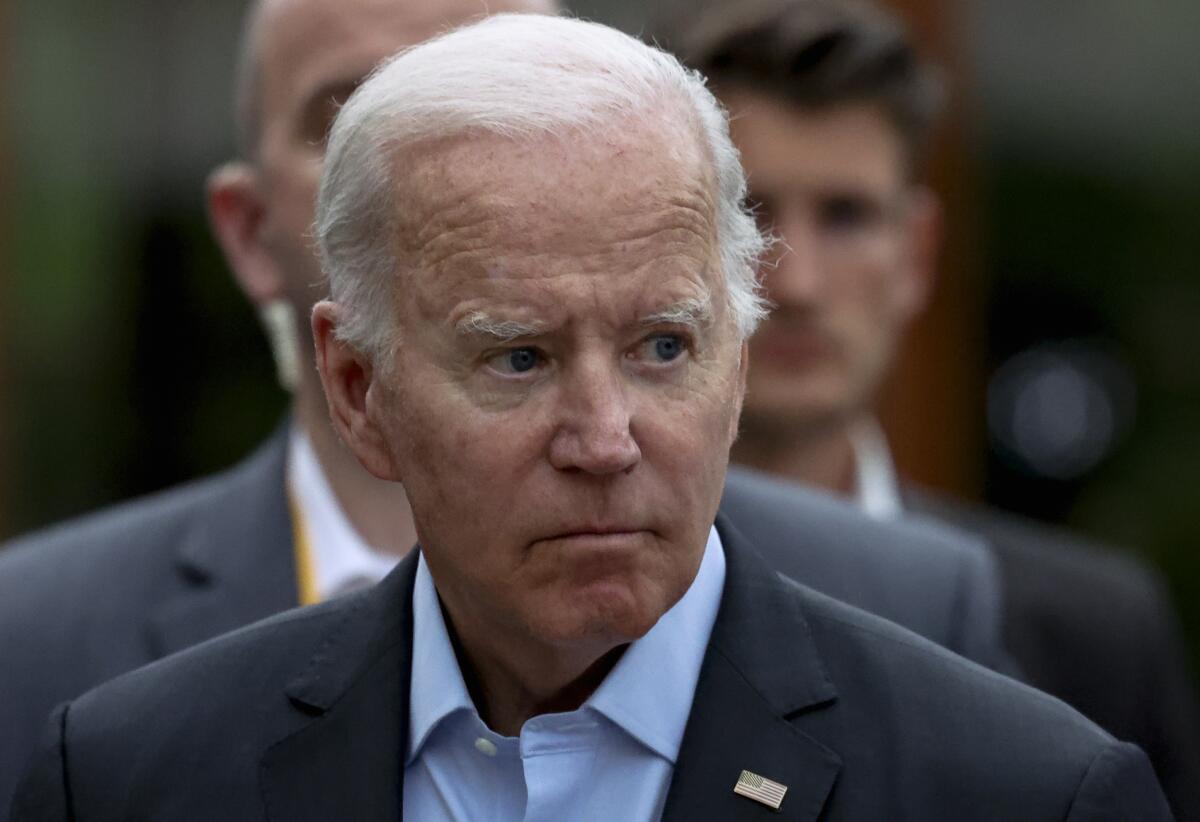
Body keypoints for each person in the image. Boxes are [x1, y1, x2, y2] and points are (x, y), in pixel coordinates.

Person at [11, 16, 1173, 820]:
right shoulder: (132, 775)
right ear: (360, 391)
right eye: (517, 357)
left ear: (736, 351)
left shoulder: (1021, 790)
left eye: (664, 347)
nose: (607, 438)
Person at [655, 0, 1200, 817]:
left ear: (917, 255)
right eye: (751, 214)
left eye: (847, 215)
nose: (796, 283)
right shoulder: (577, 597)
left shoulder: (1088, 634)